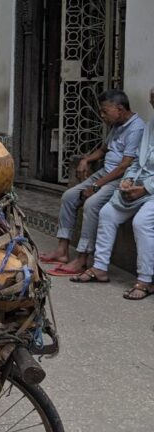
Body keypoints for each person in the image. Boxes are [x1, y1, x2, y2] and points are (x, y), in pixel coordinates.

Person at [40, 89, 145, 275]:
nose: (102, 115)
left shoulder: (137, 128)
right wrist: (86, 159)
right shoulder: (117, 125)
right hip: (105, 173)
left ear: (120, 109)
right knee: (69, 196)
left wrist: (96, 186)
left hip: (120, 178)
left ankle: (83, 258)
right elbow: (104, 149)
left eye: (105, 111)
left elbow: (123, 166)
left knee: (92, 204)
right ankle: (62, 250)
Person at [71, 87, 154, 298]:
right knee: (107, 213)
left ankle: (146, 280)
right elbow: (137, 162)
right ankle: (99, 268)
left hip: (150, 189)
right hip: (139, 185)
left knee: (141, 222)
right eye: (152, 101)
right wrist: (128, 181)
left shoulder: (138, 127)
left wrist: (145, 188)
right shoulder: (151, 126)